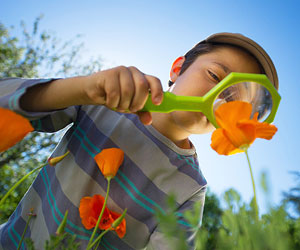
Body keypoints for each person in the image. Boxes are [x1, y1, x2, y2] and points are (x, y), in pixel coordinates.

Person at [0, 32, 278, 249]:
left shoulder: (191, 188)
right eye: (214, 75)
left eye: (232, 100)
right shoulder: (107, 102)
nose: (218, 96)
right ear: (177, 69)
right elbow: (6, 100)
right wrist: (82, 89)